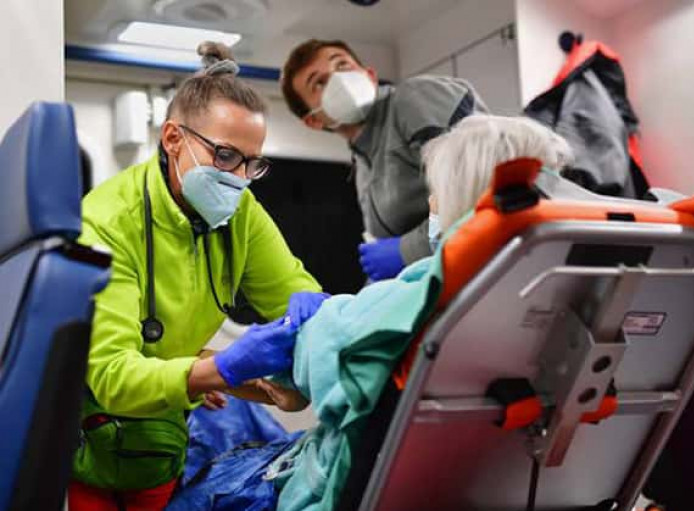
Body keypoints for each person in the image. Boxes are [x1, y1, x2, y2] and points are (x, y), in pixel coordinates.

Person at [166, 115, 572, 511]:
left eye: (436, 191)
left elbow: (306, 363)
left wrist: (230, 360)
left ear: (460, 195)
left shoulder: (422, 293)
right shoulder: (552, 301)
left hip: (325, 486)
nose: (431, 203)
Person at [68, 42, 328, 511]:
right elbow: (112, 376)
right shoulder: (107, 221)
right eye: (225, 156)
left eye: (252, 164)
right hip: (92, 441)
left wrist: (304, 350)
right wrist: (219, 370)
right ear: (173, 138)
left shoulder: (241, 212)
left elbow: (296, 294)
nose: (239, 178)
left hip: (163, 444)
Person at [280, 39, 489, 282]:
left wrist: (406, 250)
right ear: (313, 121)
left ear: (369, 75)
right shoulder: (364, 168)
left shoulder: (416, 98)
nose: (338, 80)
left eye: (342, 65)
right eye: (319, 82)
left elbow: (476, 190)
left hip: (495, 264)